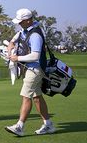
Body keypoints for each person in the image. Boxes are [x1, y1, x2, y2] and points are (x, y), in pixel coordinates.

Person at [5, 8, 56, 136]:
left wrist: (17, 58)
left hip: (36, 69)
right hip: (30, 68)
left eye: (21, 21)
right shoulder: (24, 30)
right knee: (37, 97)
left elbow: (35, 56)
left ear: (28, 21)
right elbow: (15, 38)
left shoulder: (35, 35)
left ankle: (19, 127)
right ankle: (48, 124)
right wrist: (11, 44)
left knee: (26, 95)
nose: (19, 24)